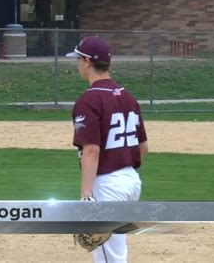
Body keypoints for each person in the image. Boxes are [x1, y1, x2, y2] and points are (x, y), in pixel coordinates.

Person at [66, 36, 149, 263]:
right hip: (131, 182)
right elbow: (143, 147)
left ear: (87, 62)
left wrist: (86, 196)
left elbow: (91, 150)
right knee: (116, 250)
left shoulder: (88, 100)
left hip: (108, 187)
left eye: (78, 59)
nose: (77, 65)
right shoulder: (127, 96)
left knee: (107, 256)